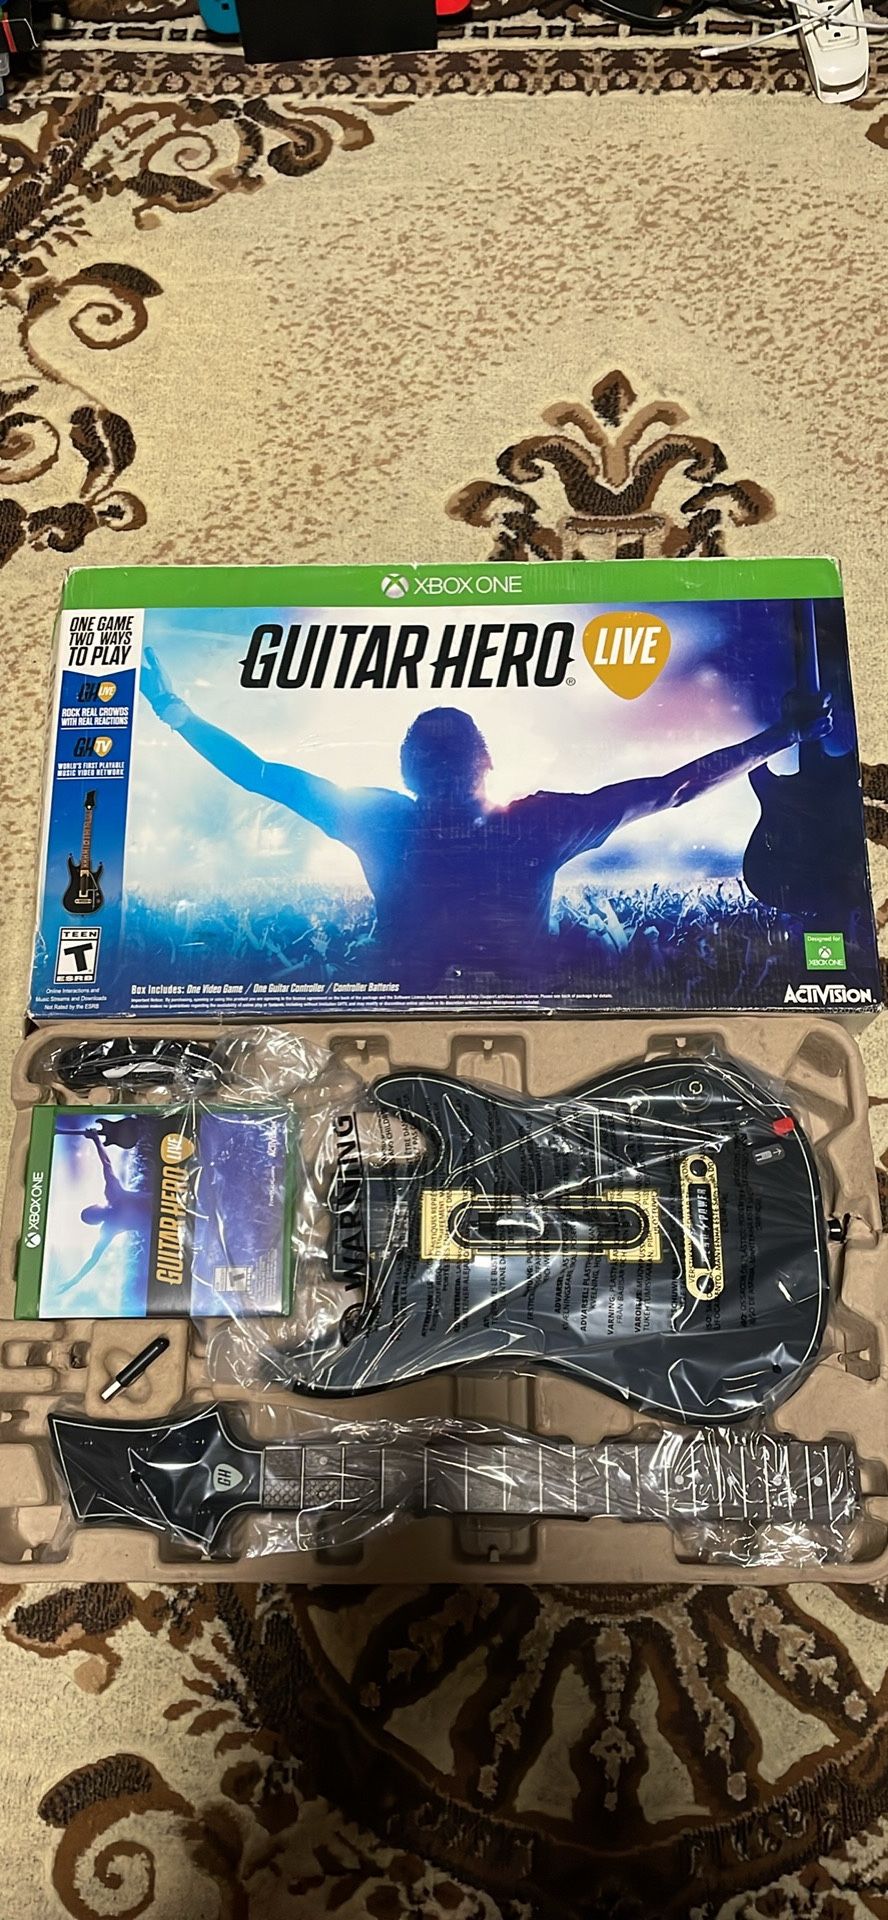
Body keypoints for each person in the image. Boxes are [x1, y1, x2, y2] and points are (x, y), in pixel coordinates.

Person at [141, 647, 831, 982]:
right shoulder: (537, 822)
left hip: (406, 984)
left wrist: (175, 711)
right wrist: (783, 736)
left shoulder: (378, 820)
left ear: (405, 772)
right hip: (531, 985)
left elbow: (259, 775)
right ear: (489, 762)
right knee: (611, 944)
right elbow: (675, 788)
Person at [57, 1128, 153, 1295]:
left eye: (92, 1212)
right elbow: (93, 1259)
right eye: (93, 1214)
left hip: (160, 1207)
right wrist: (74, 1281)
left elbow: (106, 1164)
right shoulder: (110, 1219)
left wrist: (96, 1140)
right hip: (159, 1217)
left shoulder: (112, 1201)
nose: (96, 1212)